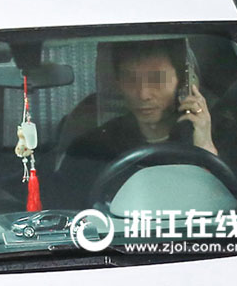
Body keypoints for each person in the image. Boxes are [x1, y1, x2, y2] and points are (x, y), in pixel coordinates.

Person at [56, 40, 219, 206]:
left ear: (182, 81)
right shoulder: (90, 149)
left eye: (157, 79)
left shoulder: (219, 135)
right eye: (130, 79)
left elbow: (233, 208)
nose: (143, 94)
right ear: (118, 83)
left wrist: (205, 148)